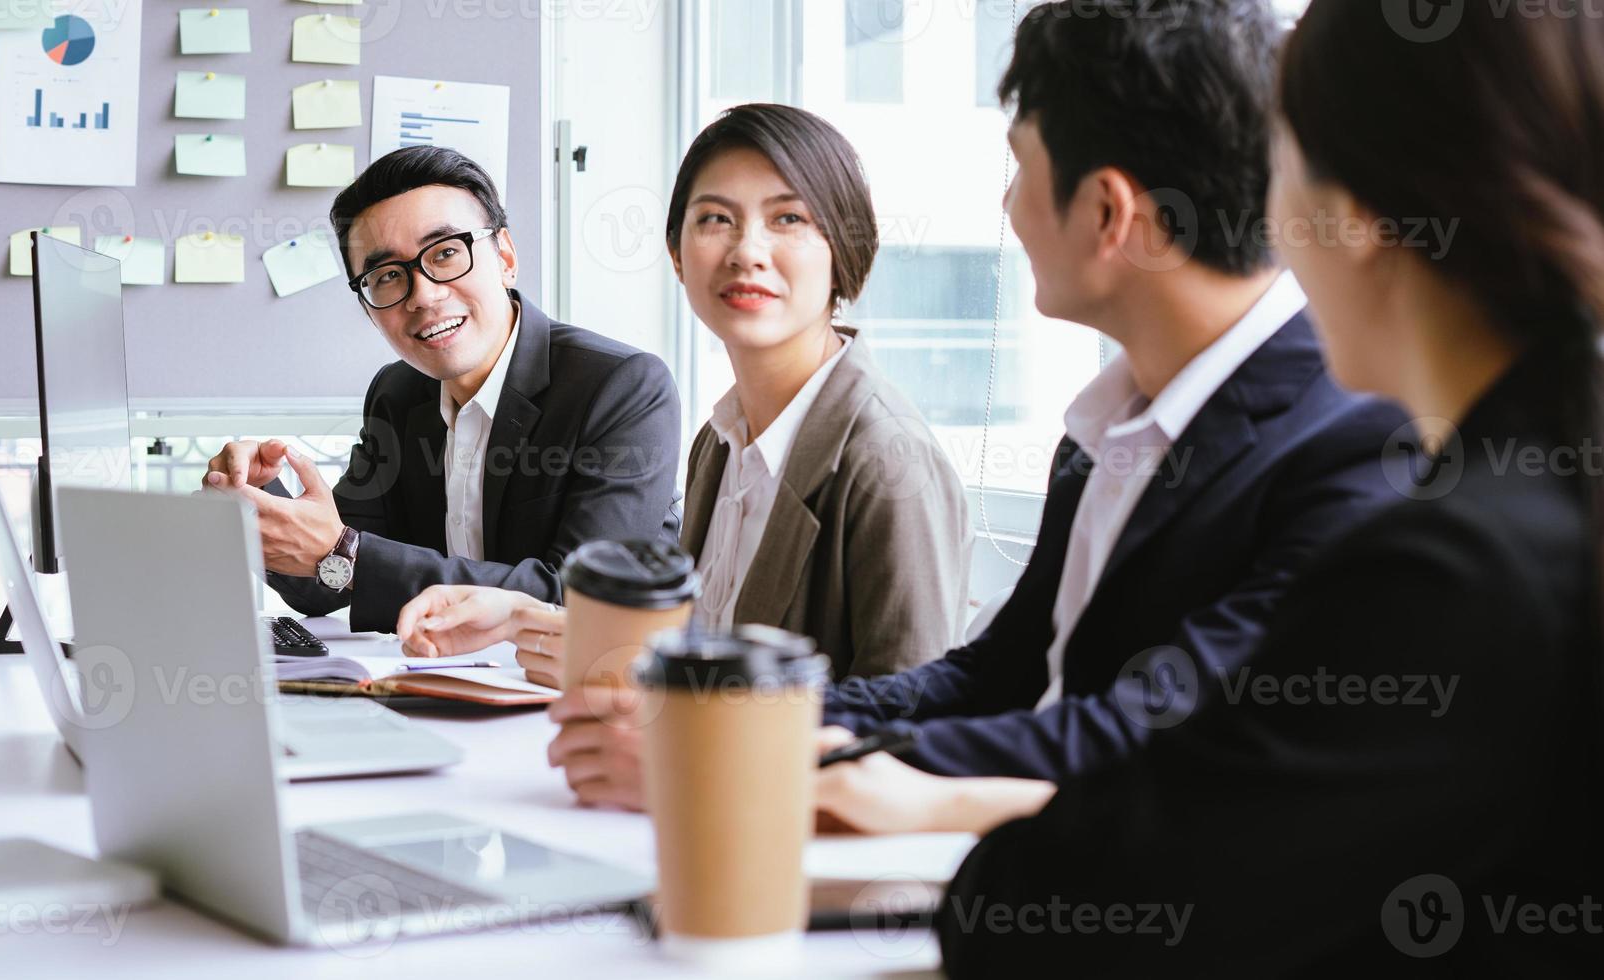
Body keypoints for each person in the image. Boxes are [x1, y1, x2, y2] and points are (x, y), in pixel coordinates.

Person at [922, 0, 1604, 971]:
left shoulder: (1451, 562)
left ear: (1359, 219)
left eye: (1276, 160)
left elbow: (1050, 904)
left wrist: (942, 798)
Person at [808, 0, 1407, 804]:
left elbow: (1150, 733)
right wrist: (746, 717)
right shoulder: (1106, 423)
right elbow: (1000, 675)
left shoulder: (1352, 448)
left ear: (1105, 212)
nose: (1007, 206)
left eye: (1018, 166)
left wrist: (784, 764)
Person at [401, 104, 975, 808]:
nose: (746, 251)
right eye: (714, 219)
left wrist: (689, 766)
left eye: (788, 219)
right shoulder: (721, 441)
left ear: (844, 249)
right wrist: (524, 618)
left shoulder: (887, 459)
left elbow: (905, 742)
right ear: (676, 254)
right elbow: (702, 657)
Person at [201, 147, 682, 633]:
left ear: (506, 257)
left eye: (447, 253)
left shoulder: (622, 387)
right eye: (388, 276)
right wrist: (262, 498)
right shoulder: (397, 395)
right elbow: (324, 578)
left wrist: (347, 555)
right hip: (435, 686)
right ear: (368, 308)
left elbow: (580, 599)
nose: (425, 296)